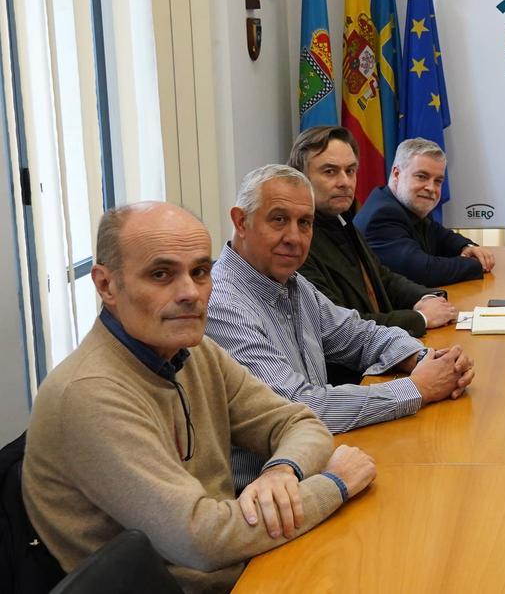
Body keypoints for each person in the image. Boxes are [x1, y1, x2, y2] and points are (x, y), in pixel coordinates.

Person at [22, 202, 377, 591]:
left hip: (244, 564)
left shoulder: (193, 351)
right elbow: (202, 540)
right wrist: (334, 484)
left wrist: (283, 471)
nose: (191, 293)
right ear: (106, 285)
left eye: (201, 272)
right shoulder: (88, 394)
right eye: (161, 274)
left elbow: (299, 421)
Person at [207, 165, 474, 490]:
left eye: (304, 223)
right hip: (265, 496)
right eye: (278, 219)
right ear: (240, 222)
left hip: (321, 466)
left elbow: (361, 334)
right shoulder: (221, 304)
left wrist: (424, 360)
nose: (293, 237)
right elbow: (300, 409)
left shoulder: (294, 284)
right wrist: (418, 388)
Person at [288, 126, 457, 339]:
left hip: (383, 347)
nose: (345, 182)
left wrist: (425, 297)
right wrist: (421, 318)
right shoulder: (295, 243)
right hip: (353, 367)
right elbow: (337, 327)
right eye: (330, 171)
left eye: (350, 171)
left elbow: (382, 277)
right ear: (300, 177)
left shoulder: (341, 220)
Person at [355, 138, 494, 287]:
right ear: (396, 174)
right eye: (422, 177)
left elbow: (440, 236)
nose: (431, 188)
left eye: (438, 181)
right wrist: (475, 264)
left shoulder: (410, 205)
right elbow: (423, 271)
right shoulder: (381, 216)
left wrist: (467, 248)